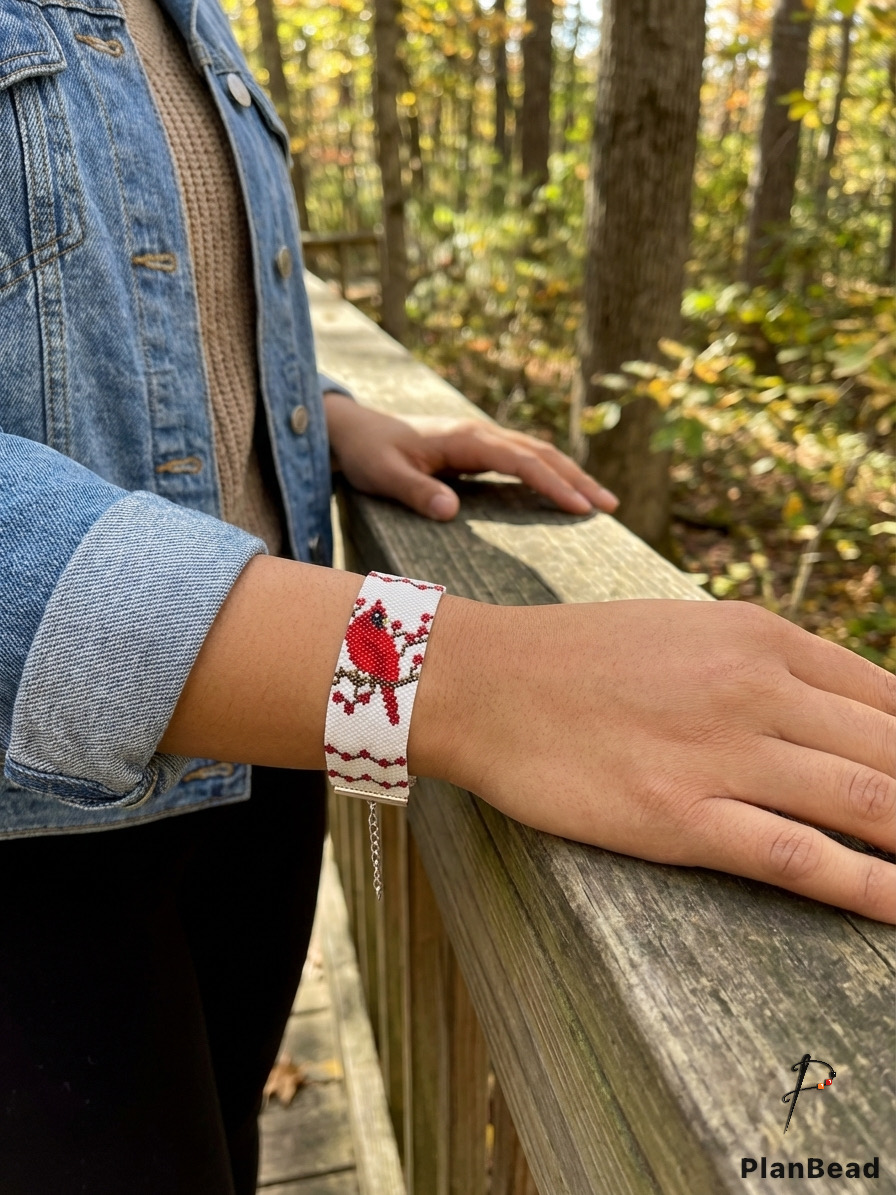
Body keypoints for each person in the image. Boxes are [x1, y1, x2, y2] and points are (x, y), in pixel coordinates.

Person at [0, 0, 892, 1189]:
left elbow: (138, 300)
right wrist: (460, 674)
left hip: (265, 766)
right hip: (39, 847)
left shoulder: (184, 16)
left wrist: (326, 415)